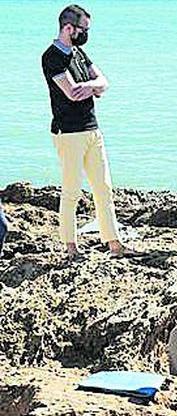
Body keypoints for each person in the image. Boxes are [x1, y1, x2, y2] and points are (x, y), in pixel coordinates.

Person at [41, 4, 138, 259]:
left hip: (92, 128)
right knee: (72, 190)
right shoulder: (52, 56)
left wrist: (91, 87)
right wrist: (92, 88)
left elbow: (104, 82)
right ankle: (70, 246)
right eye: (83, 29)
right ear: (68, 28)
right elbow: (72, 93)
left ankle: (114, 244)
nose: (85, 34)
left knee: (103, 188)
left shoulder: (79, 53)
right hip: (68, 132)